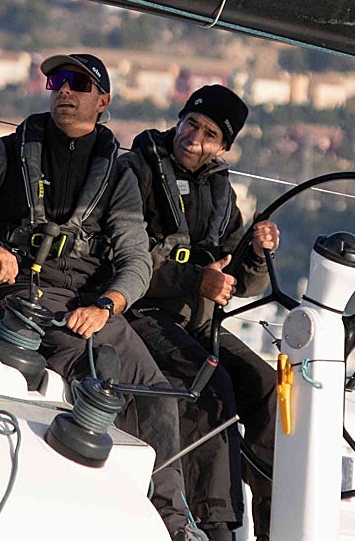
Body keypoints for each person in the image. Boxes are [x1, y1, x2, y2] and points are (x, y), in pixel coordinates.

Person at [0, 53, 205, 541]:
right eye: (57, 81)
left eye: (78, 83)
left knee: (156, 392)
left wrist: (107, 304)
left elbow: (136, 260)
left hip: (90, 304)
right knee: (99, 368)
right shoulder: (5, 152)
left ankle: (172, 522)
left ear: (102, 101)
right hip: (22, 295)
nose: (63, 90)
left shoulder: (118, 177)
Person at [122, 84, 280, 541]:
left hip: (198, 321)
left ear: (223, 146)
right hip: (143, 312)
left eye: (210, 134)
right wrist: (196, 281)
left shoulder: (221, 194)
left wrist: (253, 250)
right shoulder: (137, 174)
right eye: (191, 124)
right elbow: (125, 261)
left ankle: (275, 521)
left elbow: (244, 285)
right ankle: (215, 526)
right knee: (211, 381)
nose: (194, 138)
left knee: (265, 386)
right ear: (179, 119)